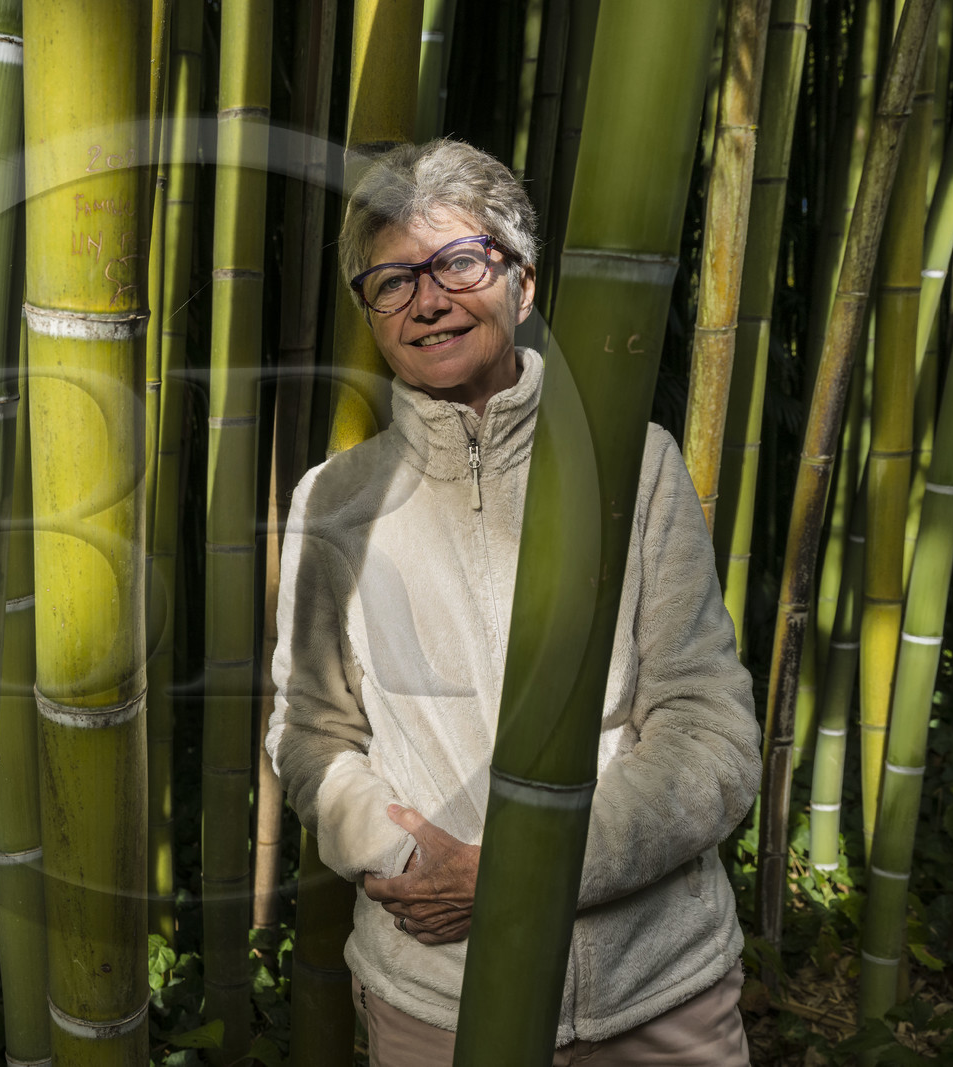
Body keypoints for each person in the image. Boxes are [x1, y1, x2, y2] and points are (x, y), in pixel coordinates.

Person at [265, 138, 760, 1065]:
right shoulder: (334, 502)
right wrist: (411, 859)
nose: (428, 298)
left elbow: (712, 732)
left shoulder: (633, 467)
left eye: (458, 261)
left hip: (656, 994)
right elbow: (308, 734)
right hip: (437, 997)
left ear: (522, 284)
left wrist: (520, 875)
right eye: (392, 281)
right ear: (371, 314)